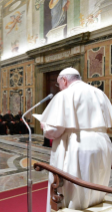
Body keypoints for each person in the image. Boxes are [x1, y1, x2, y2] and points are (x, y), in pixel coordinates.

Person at [36, 68, 112, 212]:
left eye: (59, 84)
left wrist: (44, 126)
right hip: (103, 144)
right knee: (96, 186)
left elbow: (53, 131)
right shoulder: (99, 93)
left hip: (77, 145)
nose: (60, 87)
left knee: (76, 194)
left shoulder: (65, 95)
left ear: (64, 80)